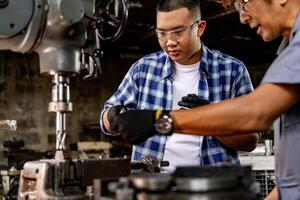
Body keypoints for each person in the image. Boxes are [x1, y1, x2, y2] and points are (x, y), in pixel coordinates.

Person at [109, 0, 300, 199]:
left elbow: (255, 114)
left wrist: (160, 120)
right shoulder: (289, 50)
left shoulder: (235, 68)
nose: (242, 17)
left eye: (245, 2)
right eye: (162, 33)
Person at [100, 0, 258, 173]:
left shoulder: (231, 70)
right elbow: (106, 120)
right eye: (162, 33)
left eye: (178, 32)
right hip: (153, 186)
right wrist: (113, 118)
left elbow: (250, 141)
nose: (169, 42)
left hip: (213, 186)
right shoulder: (143, 69)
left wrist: (211, 120)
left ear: (200, 28)